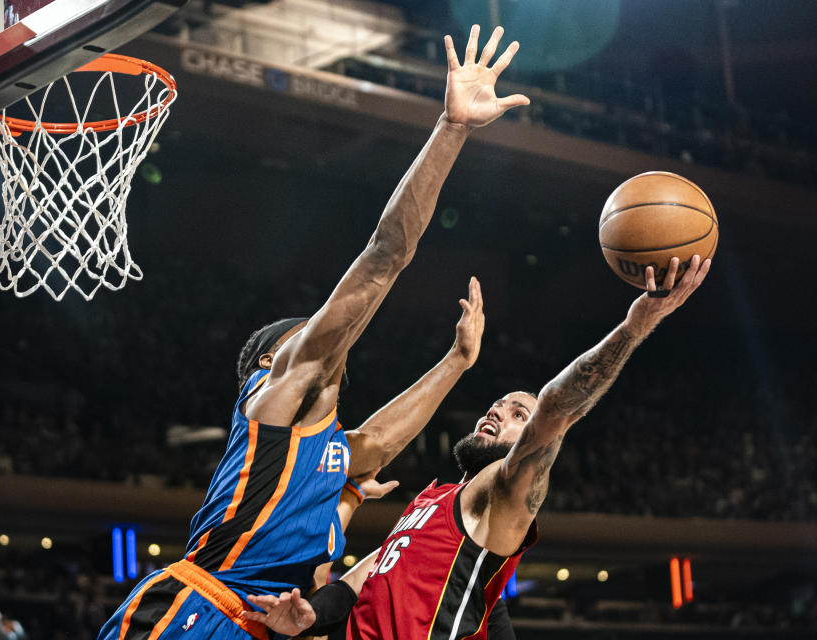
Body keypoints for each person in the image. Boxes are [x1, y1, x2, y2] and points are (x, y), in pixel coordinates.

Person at [97, 22, 528, 640]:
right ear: (274, 359)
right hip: (198, 612)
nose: (331, 340)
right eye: (311, 334)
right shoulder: (278, 395)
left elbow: (377, 442)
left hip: (262, 626)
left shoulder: (323, 448)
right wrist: (451, 129)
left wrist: (458, 361)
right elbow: (384, 255)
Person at [244, 255, 712, 639]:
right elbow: (369, 574)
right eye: (497, 405)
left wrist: (635, 326)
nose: (497, 413)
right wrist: (313, 613)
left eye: (516, 415)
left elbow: (557, 409)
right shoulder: (432, 496)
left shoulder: (504, 496)